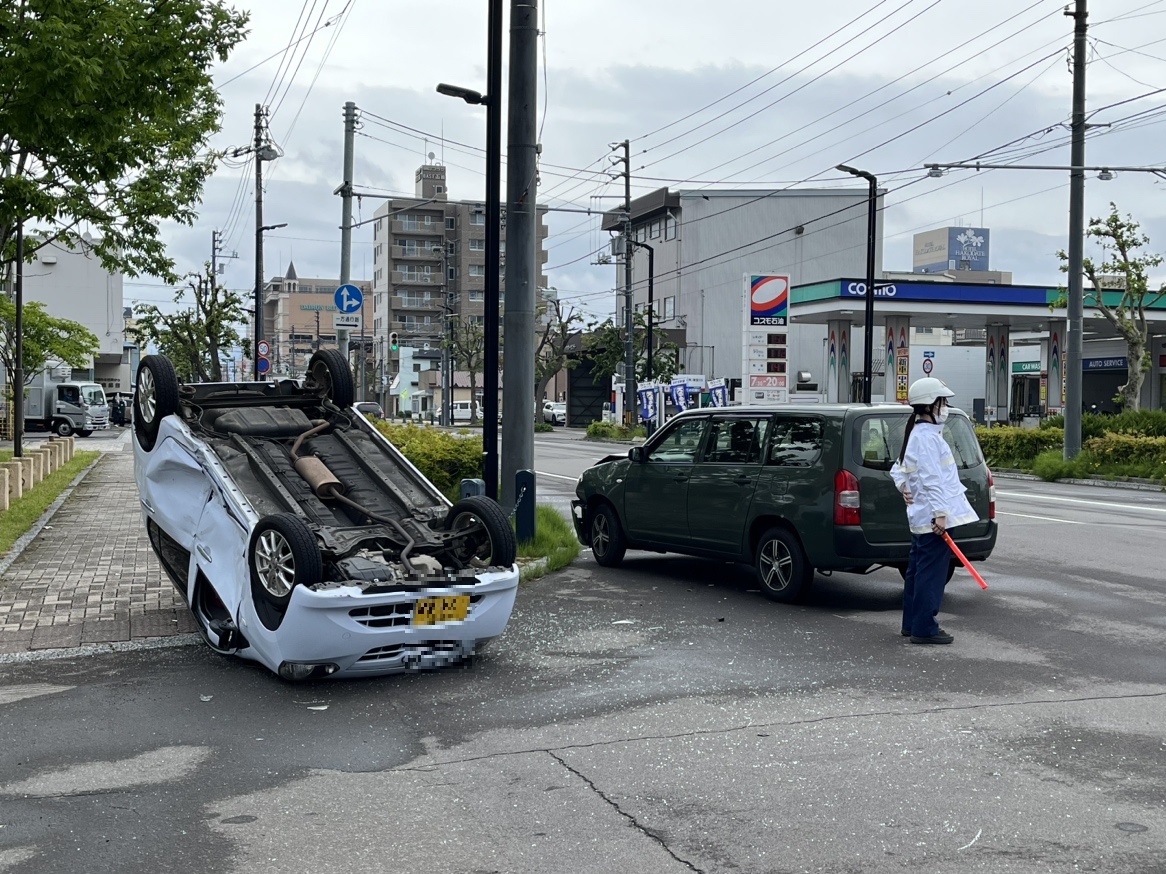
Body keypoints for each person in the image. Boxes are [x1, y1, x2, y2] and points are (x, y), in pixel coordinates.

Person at [890, 377, 980, 645]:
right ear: (930, 405)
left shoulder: (917, 435)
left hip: (921, 519)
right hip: (933, 520)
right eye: (943, 402)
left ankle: (912, 624)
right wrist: (941, 514)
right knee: (931, 574)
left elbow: (898, 469)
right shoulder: (927, 438)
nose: (946, 407)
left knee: (917, 572)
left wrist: (904, 486)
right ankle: (924, 628)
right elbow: (932, 479)